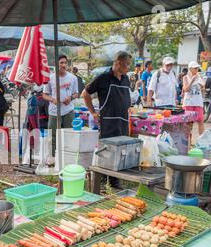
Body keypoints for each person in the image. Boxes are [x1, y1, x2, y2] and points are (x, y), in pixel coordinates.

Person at [83, 51, 139, 188]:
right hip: (108, 121)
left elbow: (125, 98)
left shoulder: (125, 78)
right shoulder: (103, 78)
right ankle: (102, 181)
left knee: (120, 151)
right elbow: (85, 94)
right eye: (127, 65)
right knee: (107, 151)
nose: (128, 68)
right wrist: (93, 113)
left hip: (123, 121)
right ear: (118, 63)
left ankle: (115, 181)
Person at [42, 55, 79, 157]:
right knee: (52, 135)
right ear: (56, 65)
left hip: (68, 111)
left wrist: (70, 98)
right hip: (54, 111)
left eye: (65, 63)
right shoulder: (50, 78)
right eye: (61, 63)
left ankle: (68, 156)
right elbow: (44, 94)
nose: (63, 65)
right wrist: (52, 99)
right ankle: (53, 157)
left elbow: (76, 93)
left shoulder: (73, 78)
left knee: (70, 134)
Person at [183, 61, 205, 135]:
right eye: (195, 68)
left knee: (201, 121)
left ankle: (201, 141)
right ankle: (188, 141)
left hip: (198, 102)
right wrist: (192, 81)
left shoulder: (200, 77)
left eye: (197, 68)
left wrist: (202, 88)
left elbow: (203, 89)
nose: (196, 69)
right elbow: (185, 90)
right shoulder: (185, 77)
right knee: (189, 122)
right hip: (189, 103)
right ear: (190, 69)